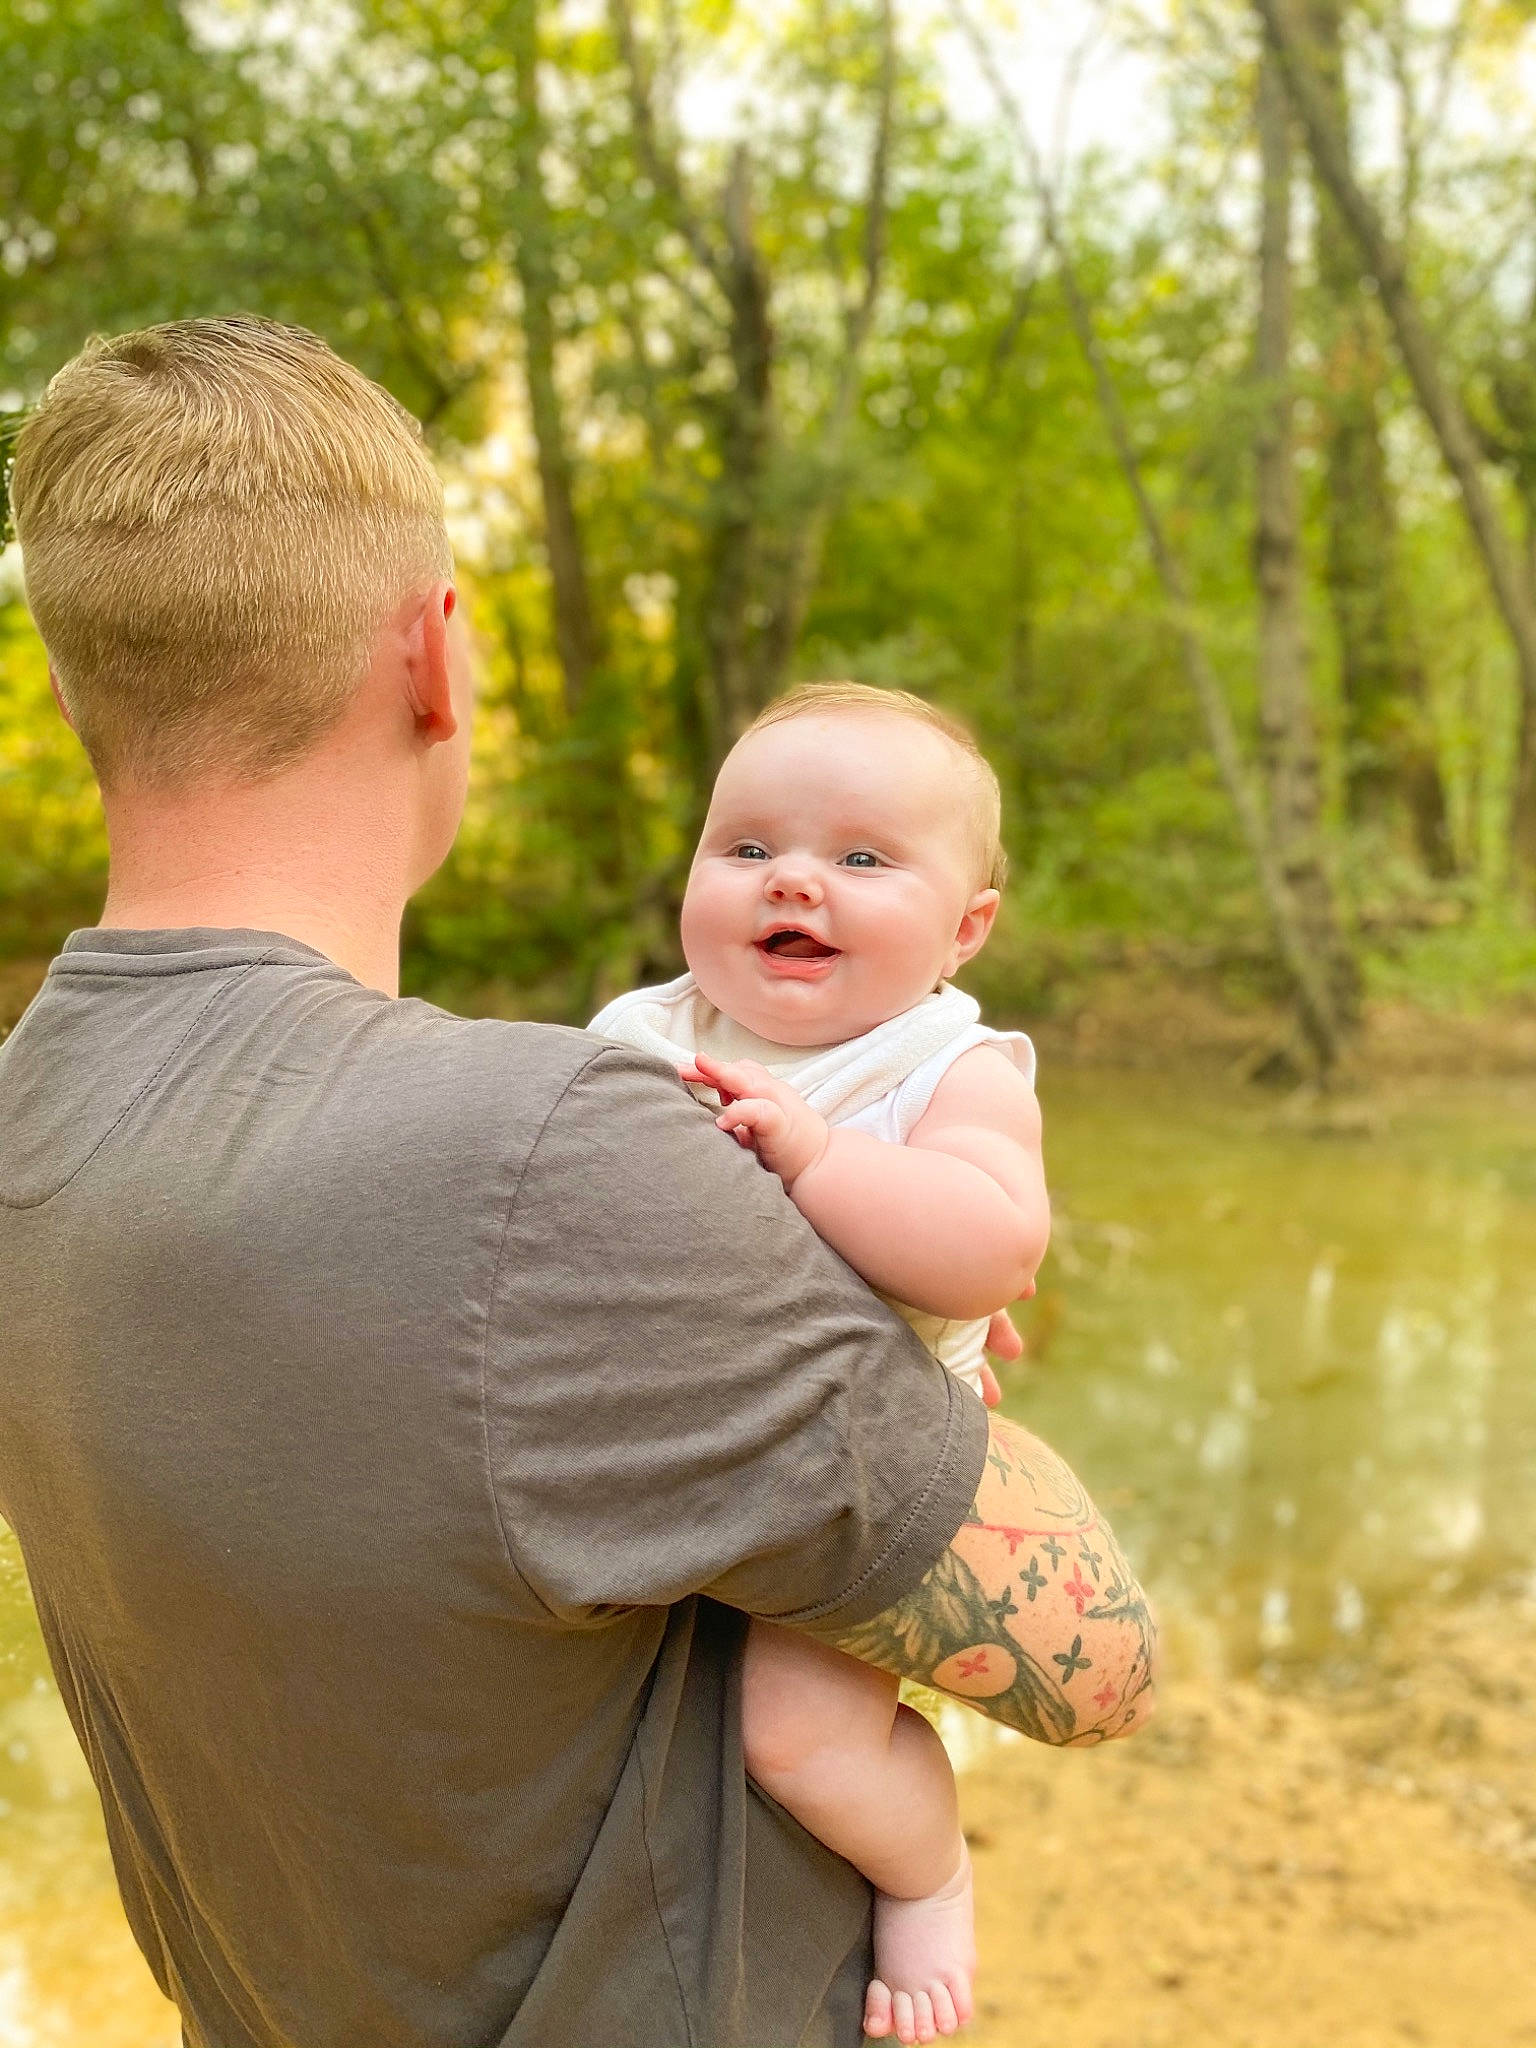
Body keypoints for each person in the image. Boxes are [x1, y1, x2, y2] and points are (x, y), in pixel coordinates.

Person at [0, 317, 1156, 2048]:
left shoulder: (30, 1124)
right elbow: (1101, 1659)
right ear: (432, 660)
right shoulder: (561, 1147)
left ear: (81, 679)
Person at [593, 684, 1064, 2042]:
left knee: (797, 1739)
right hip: (677, 1440)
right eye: (746, 848)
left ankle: (928, 1876)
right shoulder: (644, 1039)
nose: (794, 877)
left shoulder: (946, 1065)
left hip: (864, 1467)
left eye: (863, 859)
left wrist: (819, 1156)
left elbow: (992, 1248)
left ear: (963, 929)